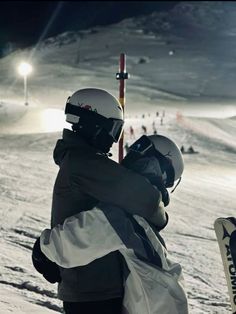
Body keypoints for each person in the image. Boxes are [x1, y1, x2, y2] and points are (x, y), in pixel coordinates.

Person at [32, 88, 166, 314]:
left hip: (89, 286)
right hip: (94, 290)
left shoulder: (78, 160)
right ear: (94, 124)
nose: (113, 139)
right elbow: (150, 203)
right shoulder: (85, 163)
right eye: (113, 129)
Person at [39, 134, 188, 314]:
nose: (129, 158)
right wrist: (46, 250)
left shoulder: (127, 211)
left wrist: (44, 250)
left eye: (136, 153)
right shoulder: (129, 209)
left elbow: (89, 234)